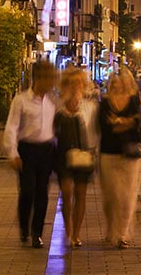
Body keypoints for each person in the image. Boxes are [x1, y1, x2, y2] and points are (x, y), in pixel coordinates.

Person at [4, 60, 57, 249]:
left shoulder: (51, 102)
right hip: (26, 150)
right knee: (27, 191)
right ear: (38, 78)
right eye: (49, 79)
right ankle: (24, 226)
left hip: (45, 151)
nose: (52, 83)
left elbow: (53, 128)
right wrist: (13, 153)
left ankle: (37, 233)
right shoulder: (21, 100)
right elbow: (12, 127)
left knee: (42, 193)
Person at [98, 70, 141, 248]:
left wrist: (118, 123)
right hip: (108, 152)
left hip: (130, 154)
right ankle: (111, 229)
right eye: (114, 81)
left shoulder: (134, 101)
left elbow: (138, 123)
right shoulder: (105, 102)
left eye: (120, 81)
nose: (117, 84)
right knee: (111, 196)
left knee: (127, 196)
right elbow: (102, 125)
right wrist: (126, 122)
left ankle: (123, 234)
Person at [53, 67, 97, 248]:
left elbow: (94, 132)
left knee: (80, 193)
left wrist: (94, 153)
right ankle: (68, 227)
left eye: (79, 82)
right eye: (72, 82)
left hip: (84, 154)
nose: (76, 86)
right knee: (66, 191)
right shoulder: (57, 104)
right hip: (63, 154)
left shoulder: (89, 106)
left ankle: (76, 233)